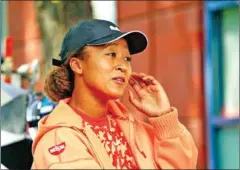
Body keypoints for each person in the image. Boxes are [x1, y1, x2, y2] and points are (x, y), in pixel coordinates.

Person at [31, 19, 198, 169]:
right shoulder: (58, 140)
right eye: (111, 54)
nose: (123, 66)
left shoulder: (131, 127)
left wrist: (163, 119)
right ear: (77, 65)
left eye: (127, 58)